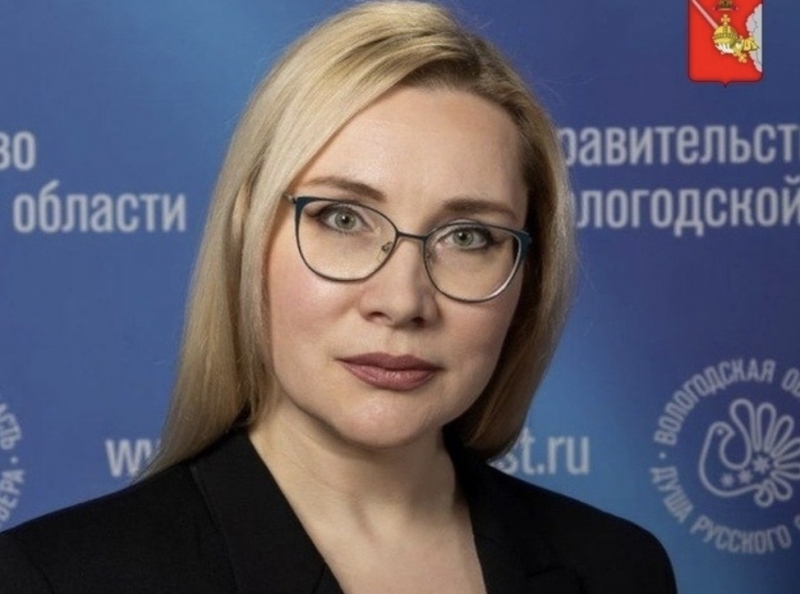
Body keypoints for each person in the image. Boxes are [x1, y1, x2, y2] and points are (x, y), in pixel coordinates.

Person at [0, 2, 677, 592]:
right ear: (247, 238)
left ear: (529, 277)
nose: (402, 300)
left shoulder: (618, 568)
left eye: (468, 236)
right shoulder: (56, 578)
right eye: (344, 219)